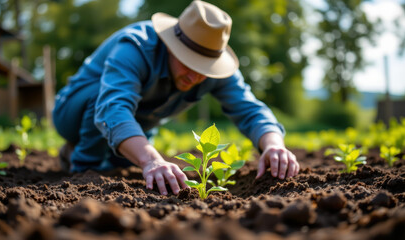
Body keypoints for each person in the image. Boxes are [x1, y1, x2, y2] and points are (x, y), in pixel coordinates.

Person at [53, 0, 300, 196]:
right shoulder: (135, 47)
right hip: (73, 113)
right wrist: (151, 160)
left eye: (204, 69)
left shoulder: (216, 70)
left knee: (129, 162)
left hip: (138, 124)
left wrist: (274, 145)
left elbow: (250, 109)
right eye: (188, 63)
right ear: (172, 46)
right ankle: (85, 164)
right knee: (103, 99)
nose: (194, 76)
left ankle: (114, 154)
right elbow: (112, 107)